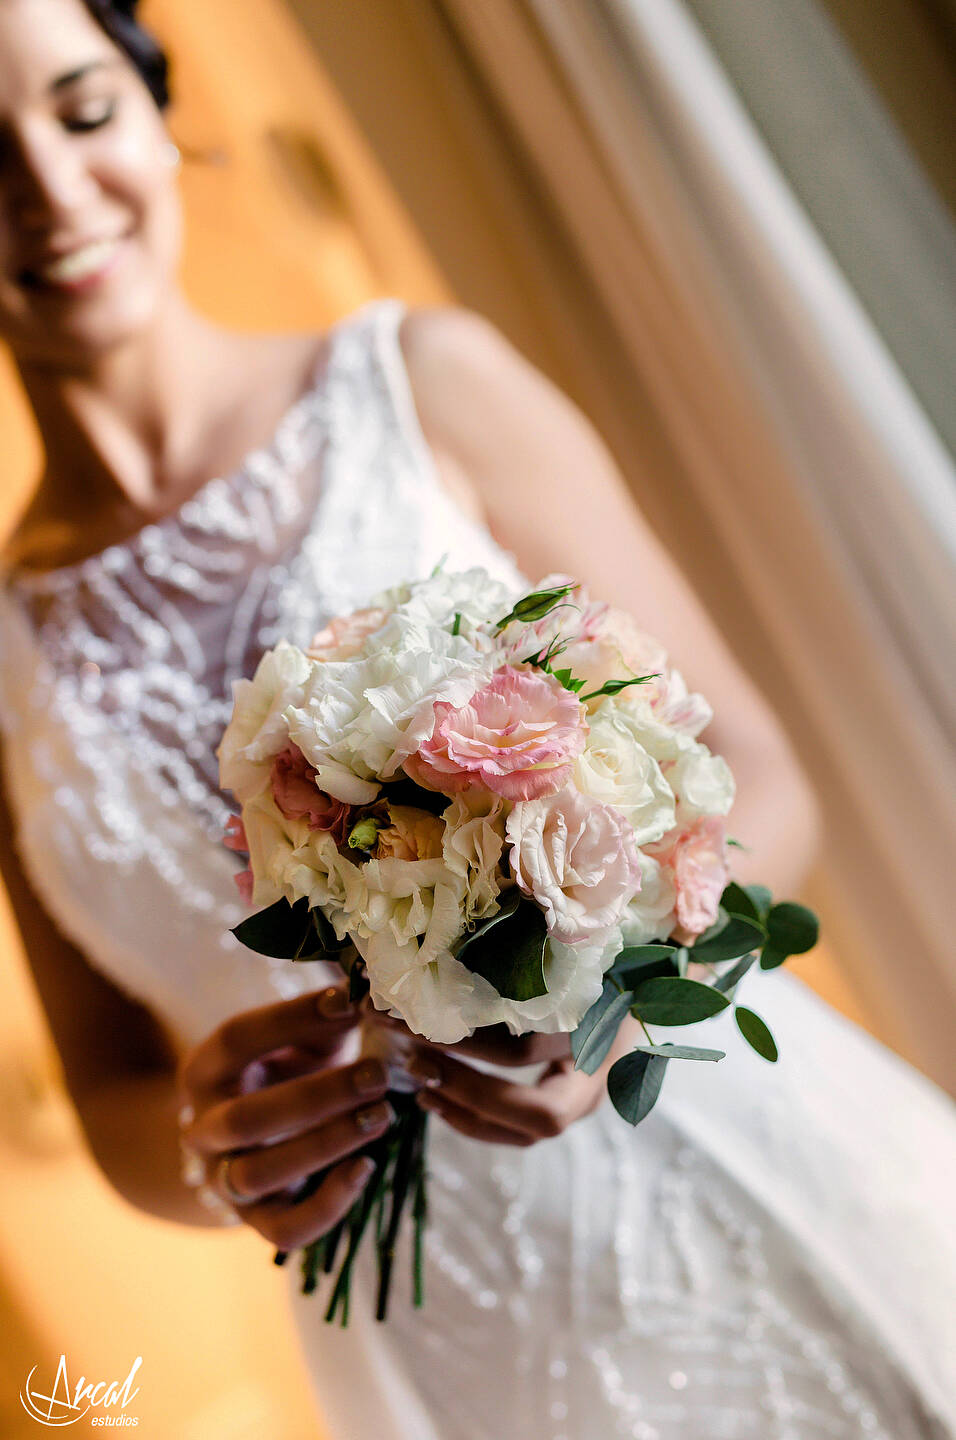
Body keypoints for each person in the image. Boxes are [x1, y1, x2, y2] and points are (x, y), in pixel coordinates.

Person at [0, 3, 953, 1437]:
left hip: (742, 1185)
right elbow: (115, 1100)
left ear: (152, 112)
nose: (52, 190)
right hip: (448, 1336)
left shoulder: (422, 386)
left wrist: (618, 1006)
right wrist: (211, 1144)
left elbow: (761, 780)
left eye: (83, 113)